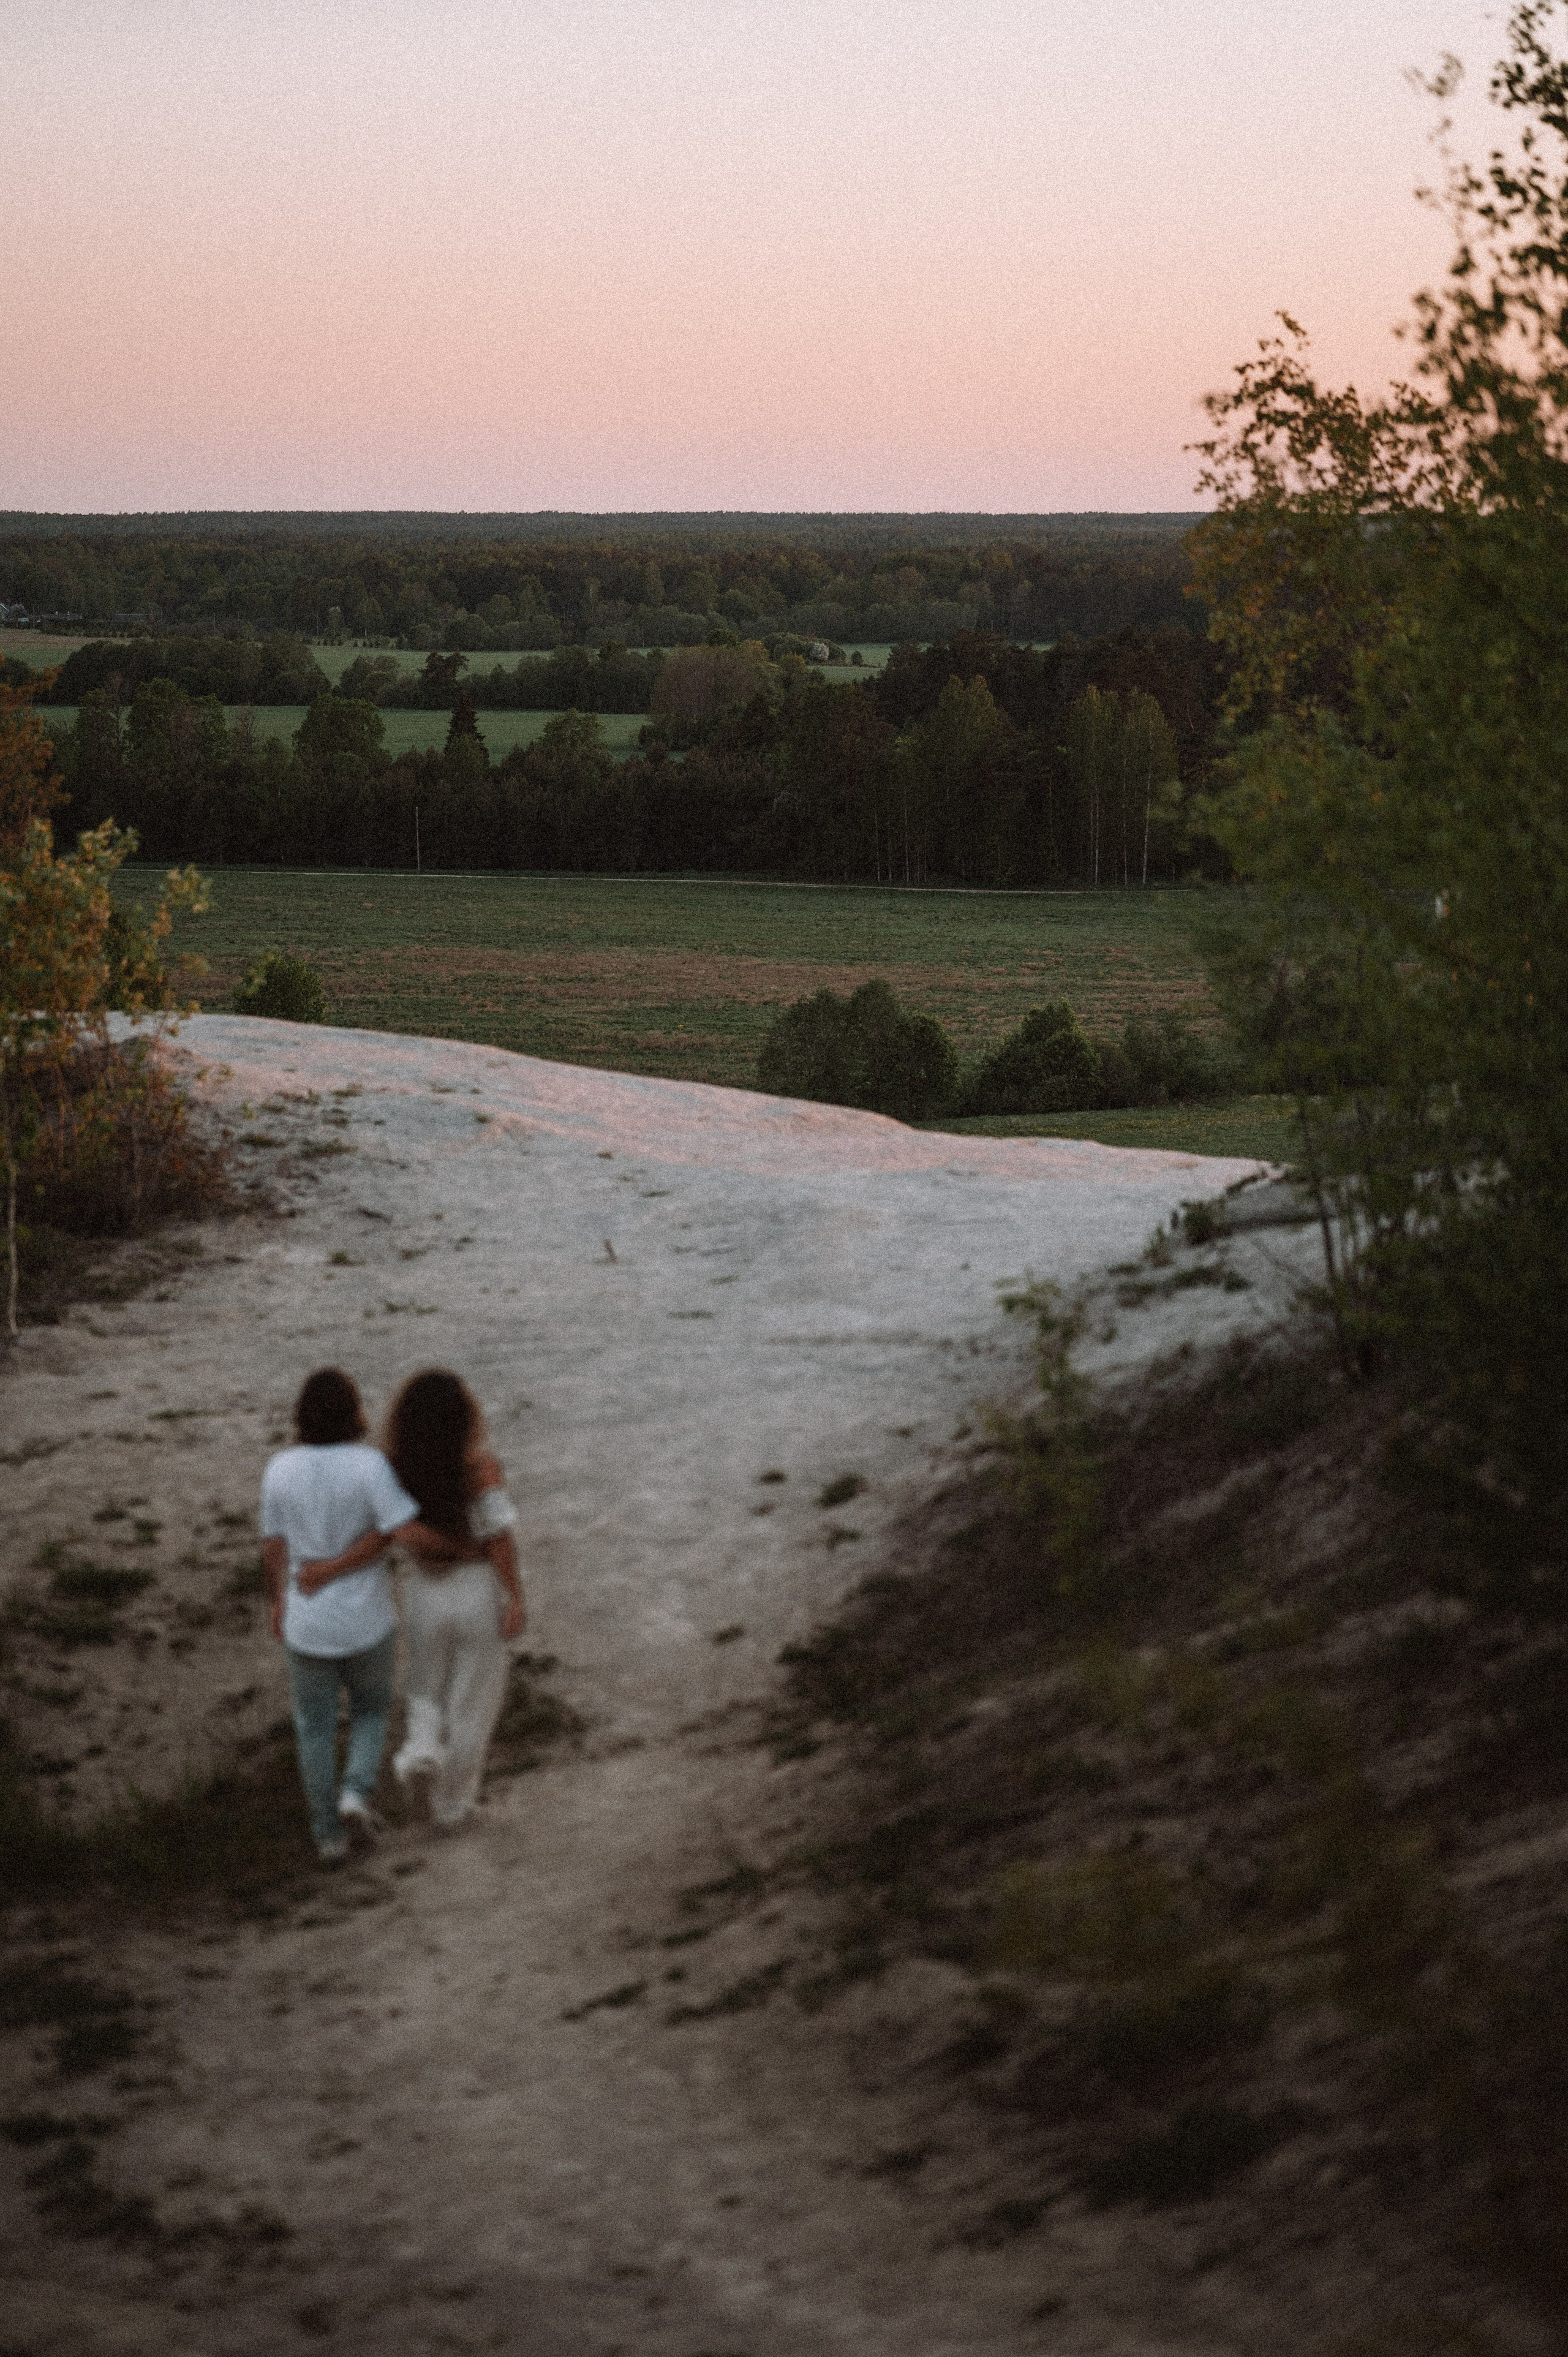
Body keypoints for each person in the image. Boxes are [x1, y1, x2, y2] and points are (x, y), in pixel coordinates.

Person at [261, 1367, 451, 1865]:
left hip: (307, 1625)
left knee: (315, 1728)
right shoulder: (369, 1466)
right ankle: (355, 1794)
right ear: (352, 1412)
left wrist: (279, 1597)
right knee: (371, 1712)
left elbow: (273, 1546)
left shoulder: (279, 1469)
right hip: (367, 1621)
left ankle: (328, 1837)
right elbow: (394, 1532)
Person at [383, 1368, 524, 1828]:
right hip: (476, 1590)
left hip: (425, 1591)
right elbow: (498, 1535)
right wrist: (516, 1595)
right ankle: (453, 1807)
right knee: (473, 1701)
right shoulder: (479, 1468)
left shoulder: (394, 1470)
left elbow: (402, 1534)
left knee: (427, 1684)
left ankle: (421, 1750)